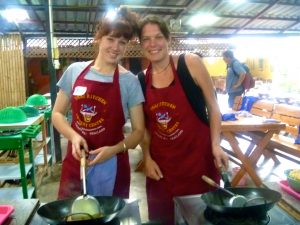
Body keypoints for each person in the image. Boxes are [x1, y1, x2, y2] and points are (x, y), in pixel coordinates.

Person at [137, 16, 229, 225]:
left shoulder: (190, 64)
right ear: (141, 44)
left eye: (158, 37)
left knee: (203, 218)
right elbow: (143, 128)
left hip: (199, 163)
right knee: (163, 220)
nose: (153, 44)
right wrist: (147, 158)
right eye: (146, 39)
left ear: (169, 39)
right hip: (162, 169)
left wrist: (216, 144)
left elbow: (213, 107)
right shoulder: (141, 79)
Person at [52, 7, 145, 200]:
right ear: (99, 38)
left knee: (109, 216)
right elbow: (57, 114)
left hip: (113, 164)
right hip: (77, 160)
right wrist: (73, 136)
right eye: (110, 39)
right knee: (74, 213)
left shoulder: (130, 81)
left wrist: (113, 150)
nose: (115, 47)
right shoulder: (75, 71)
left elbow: (138, 132)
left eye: (122, 42)